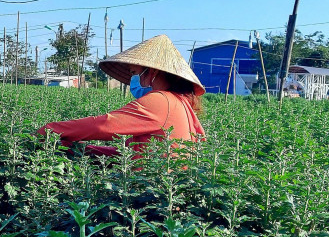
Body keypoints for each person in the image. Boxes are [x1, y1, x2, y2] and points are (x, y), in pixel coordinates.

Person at [37, 34, 205, 158]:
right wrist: (85, 149)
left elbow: (104, 125)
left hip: (149, 198)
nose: (132, 79)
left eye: (134, 73)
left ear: (152, 72)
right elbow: (130, 153)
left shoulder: (161, 101)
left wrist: (51, 129)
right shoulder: (179, 102)